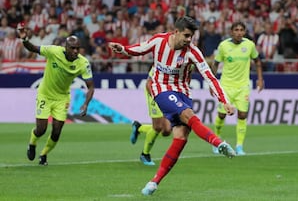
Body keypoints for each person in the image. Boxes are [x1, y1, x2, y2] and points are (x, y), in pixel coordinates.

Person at [109, 16, 236, 196]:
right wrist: (123, 49)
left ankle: (154, 182)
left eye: (191, 36)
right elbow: (140, 49)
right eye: (186, 35)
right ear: (176, 32)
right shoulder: (159, 41)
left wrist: (224, 101)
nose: (188, 39)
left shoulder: (193, 52)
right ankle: (218, 142)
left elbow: (210, 77)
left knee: (181, 137)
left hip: (183, 92)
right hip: (160, 88)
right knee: (187, 115)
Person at [18, 24, 95, 165]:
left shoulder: (83, 63)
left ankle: (44, 155)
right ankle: (32, 143)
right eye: (72, 48)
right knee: (41, 130)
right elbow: (33, 48)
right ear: (65, 47)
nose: (76, 51)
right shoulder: (53, 51)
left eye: (78, 48)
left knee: (56, 132)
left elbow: (90, 86)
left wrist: (85, 103)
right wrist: (25, 39)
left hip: (62, 98)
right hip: (45, 95)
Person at [211, 21, 264, 156]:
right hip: (226, 86)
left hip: (243, 86)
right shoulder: (223, 46)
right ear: (231, 32)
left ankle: (239, 146)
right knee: (222, 115)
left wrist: (260, 79)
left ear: (244, 32)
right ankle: (216, 142)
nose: (239, 32)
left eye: (241, 30)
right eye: (236, 30)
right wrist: (212, 83)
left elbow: (257, 61)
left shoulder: (250, 45)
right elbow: (215, 64)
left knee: (242, 115)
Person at [130, 67, 172, 166]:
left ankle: (139, 127)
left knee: (166, 131)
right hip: (154, 92)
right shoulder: (160, 62)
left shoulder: (182, 62)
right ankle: (145, 154)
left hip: (167, 94)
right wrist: (155, 97)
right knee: (157, 127)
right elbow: (149, 82)